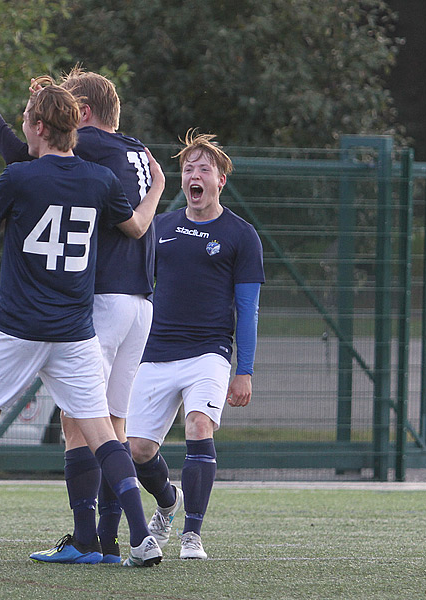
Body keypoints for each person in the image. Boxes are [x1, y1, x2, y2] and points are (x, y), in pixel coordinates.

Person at [0, 66, 177, 565]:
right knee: (103, 431)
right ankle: (137, 537)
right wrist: (159, 184)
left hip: (21, 321)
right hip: (80, 324)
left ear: (41, 125)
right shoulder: (105, 173)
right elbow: (138, 226)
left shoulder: (20, 175)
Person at [126, 129, 264, 560]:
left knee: (199, 426)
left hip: (209, 353)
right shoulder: (160, 227)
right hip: (155, 351)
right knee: (136, 450)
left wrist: (245, 370)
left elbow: (249, 309)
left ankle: (192, 535)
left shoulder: (242, 236)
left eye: (204, 168)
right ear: (181, 179)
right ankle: (168, 501)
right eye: (188, 168)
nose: (195, 175)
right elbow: (134, 289)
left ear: (221, 179)